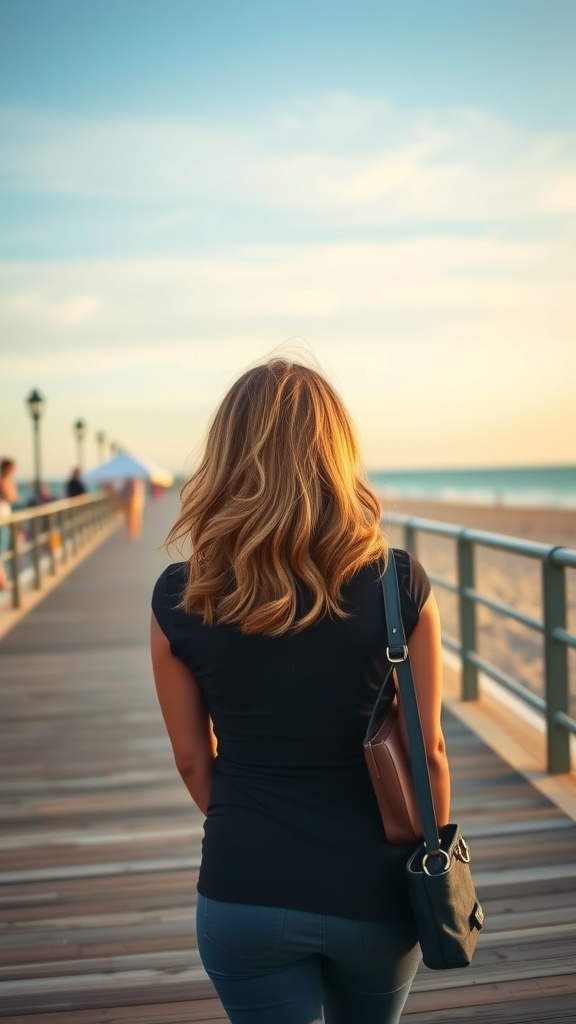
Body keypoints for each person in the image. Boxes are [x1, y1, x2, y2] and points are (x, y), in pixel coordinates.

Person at [151, 359, 451, 1024]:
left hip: (243, 885)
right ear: (335, 453)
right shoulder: (399, 586)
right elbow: (427, 751)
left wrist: (255, 832)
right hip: (375, 892)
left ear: (226, 457)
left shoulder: (179, 596)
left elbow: (192, 761)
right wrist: (421, 850)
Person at [0, 458, 18, 590]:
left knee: (4, 550)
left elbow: (13, 497)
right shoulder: (3, 480)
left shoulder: (7, 480)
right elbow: (10, 497)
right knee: (2, 551)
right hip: (2, 520)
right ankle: (3, 581)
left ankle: (3, 579)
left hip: (5, 519)